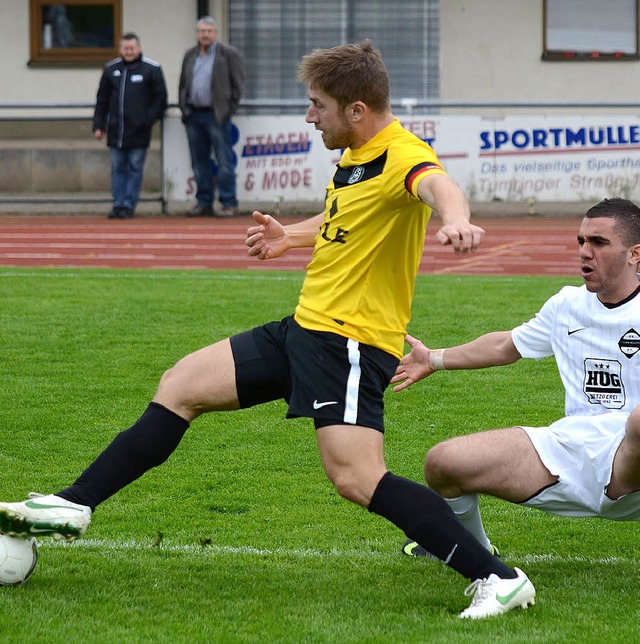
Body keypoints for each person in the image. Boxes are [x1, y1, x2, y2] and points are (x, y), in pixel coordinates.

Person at [0, 41, 534, 620]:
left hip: (349, 343)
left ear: (356, 109)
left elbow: (438, 186)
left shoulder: (402, 154)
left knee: (356, 477)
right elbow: (342, 221)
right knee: (181, 384)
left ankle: (497, 578)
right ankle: (72, 505)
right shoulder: (357, 155)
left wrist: (456, 221)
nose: (309, 117)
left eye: (316, 106)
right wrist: (291, 238)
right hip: (306, 329)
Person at [393, 197, 640, 559]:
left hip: (633, 459)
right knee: (443, 463)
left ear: (635, 253)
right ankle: (473, 547)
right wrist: (434, 359)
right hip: (573, 449)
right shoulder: (566, 305)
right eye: (581, 242)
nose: (585, 252)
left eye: (599, 243)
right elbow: (505, 346)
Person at [93, 32, 168, 219]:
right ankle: (118, 204)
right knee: (117, 168)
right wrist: (98, 125)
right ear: (120, 49)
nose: (129, 51)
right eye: (125, 48)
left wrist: (147, 120)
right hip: (116, 130)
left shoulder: (152, 69)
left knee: (135, 168)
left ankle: (128, 204)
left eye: (132, 48)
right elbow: (101, 100)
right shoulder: (111, 69)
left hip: (139, 131)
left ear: (139, 48)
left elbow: (161, 99)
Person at [178, 16, 245, 218]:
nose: (205, 34)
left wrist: (227, 110)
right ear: (197, 34)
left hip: (217, 116)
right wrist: (184, 108)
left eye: (209, 31)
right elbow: (183, 83)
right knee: (199, 163)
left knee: (224, 162)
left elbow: (238, 85)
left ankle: (229, 203)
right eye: (201, 31)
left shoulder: (228, 54)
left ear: (215, 33)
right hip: (193, 115)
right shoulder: (190, 54)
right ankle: (203, 202)